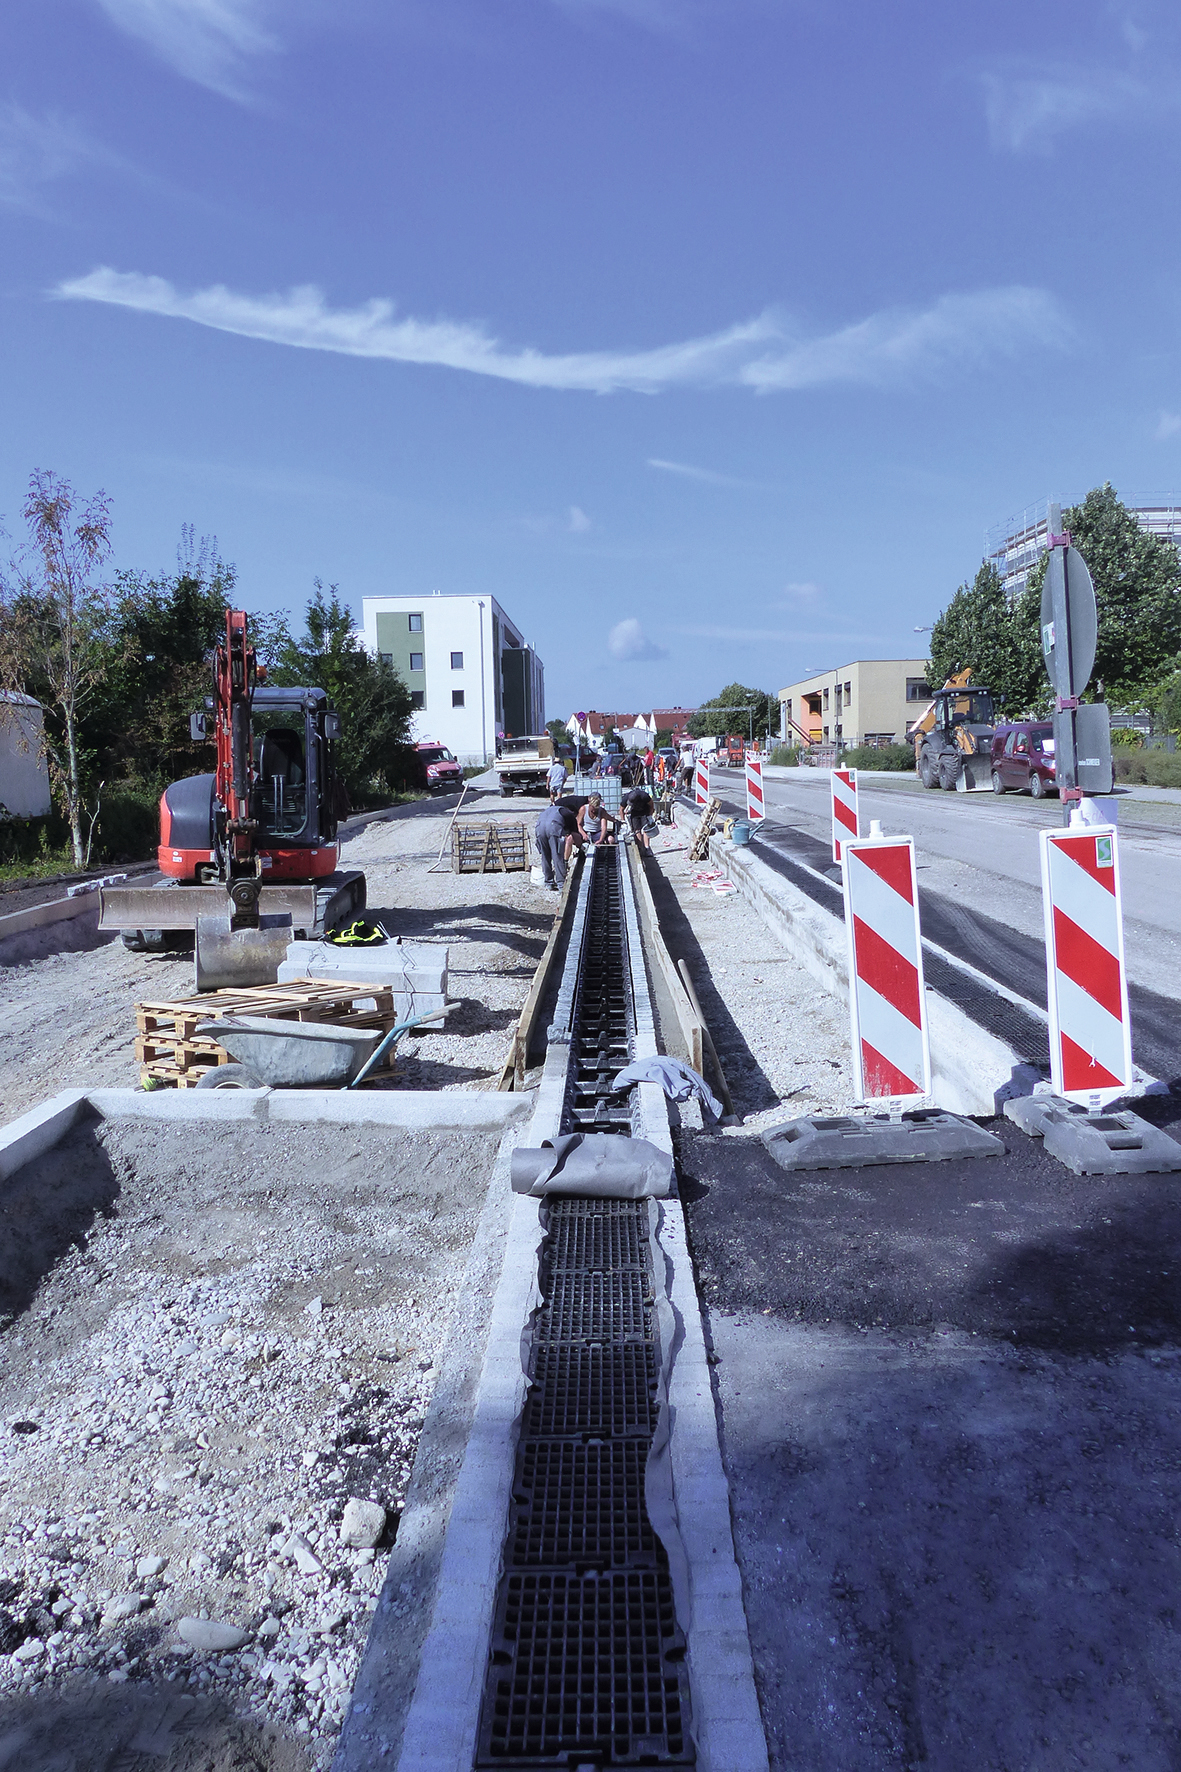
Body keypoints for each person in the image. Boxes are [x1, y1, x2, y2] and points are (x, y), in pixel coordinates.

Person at [534, 800, 577, 890]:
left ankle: (548, 882)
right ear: (573, 812)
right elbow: (574, 835)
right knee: (557, 856)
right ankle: (561, 884)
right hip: (553, 827)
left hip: (539, 828)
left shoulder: (551, 810)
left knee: (545, 856)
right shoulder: (569, 814)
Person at [622, 783, 655, 849]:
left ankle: (647, 847)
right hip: (634, 813)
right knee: (637, 830)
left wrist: (650, 816)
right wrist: (623, 821)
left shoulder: (644, 796)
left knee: (646, 829)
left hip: (645, 811)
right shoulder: (626, 797)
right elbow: (621, 810)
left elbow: (651, 805)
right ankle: (640, 847)